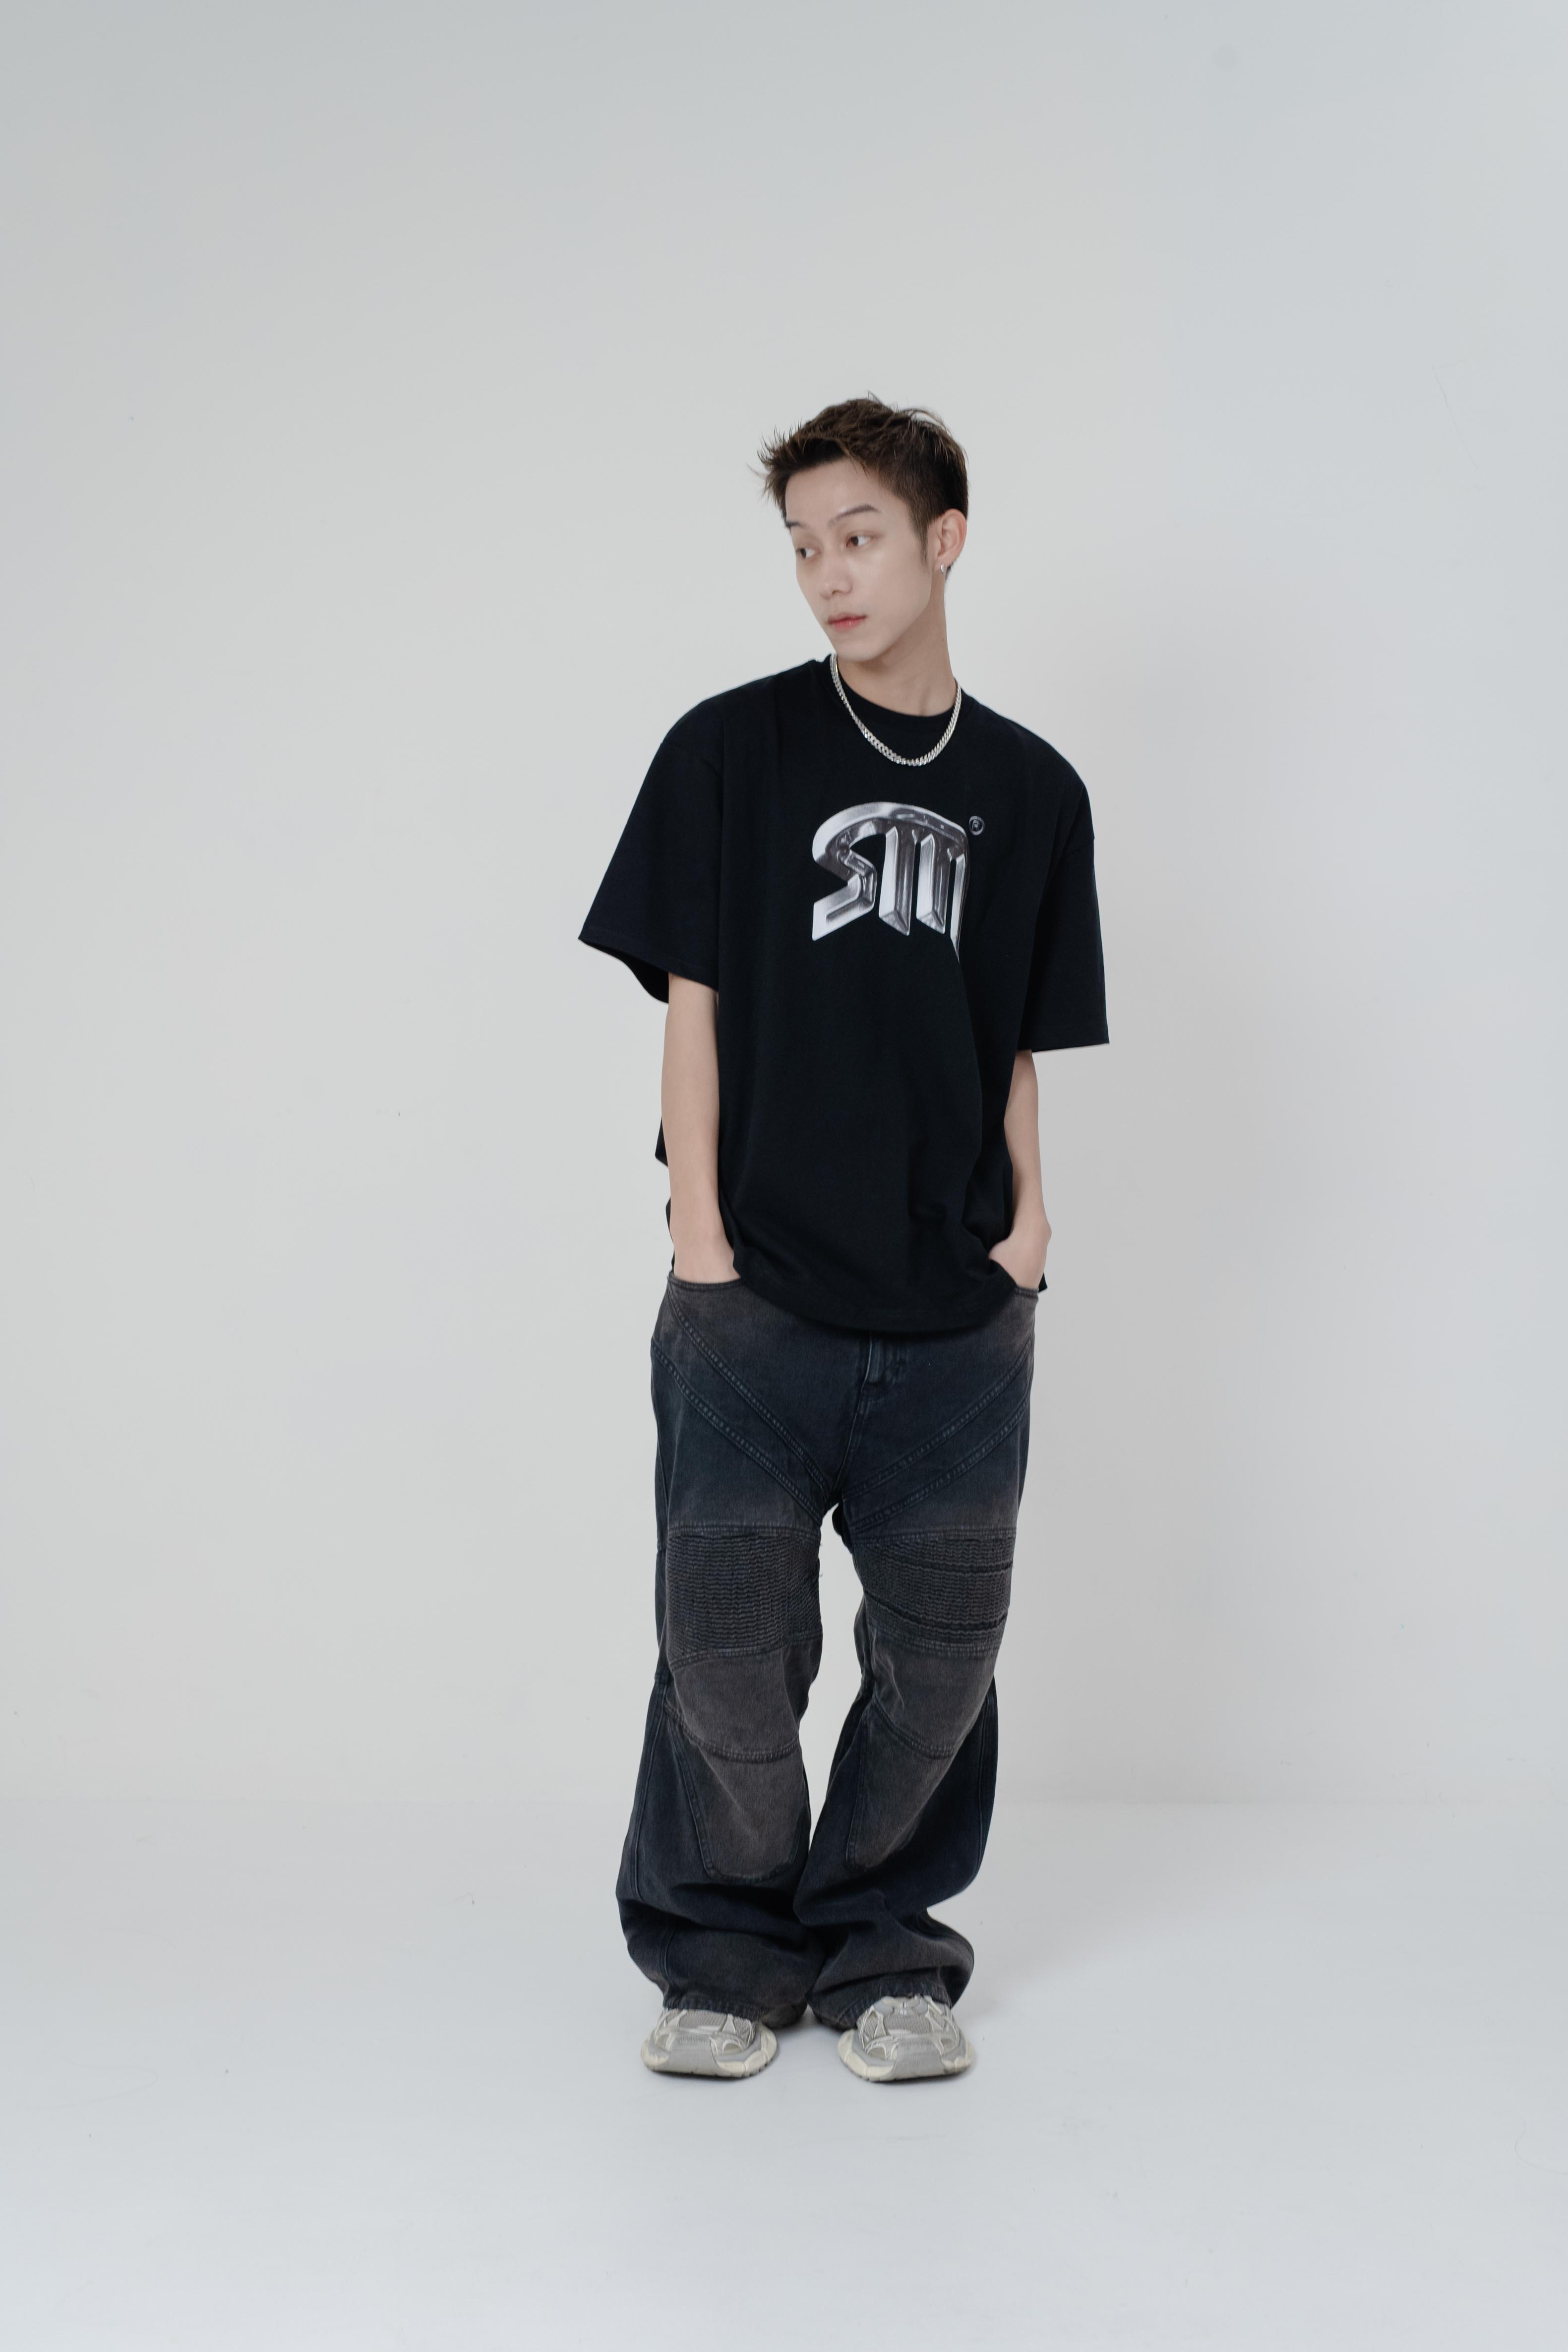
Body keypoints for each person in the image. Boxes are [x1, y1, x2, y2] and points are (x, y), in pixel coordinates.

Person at [578, 396, 1108, 2084]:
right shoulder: (727, 752)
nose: (827, 573)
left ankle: (885, 1947)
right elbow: (692, 1004)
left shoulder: (1033, 790)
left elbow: (1010, 1037)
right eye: (803, 544)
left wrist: (1026, 1231)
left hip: (959, 1318)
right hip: (753, 1308)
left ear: (943, 541)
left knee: (940, 1663)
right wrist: (702, 1236)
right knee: (726, 1657)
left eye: (859, 536)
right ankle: (724, 1951)